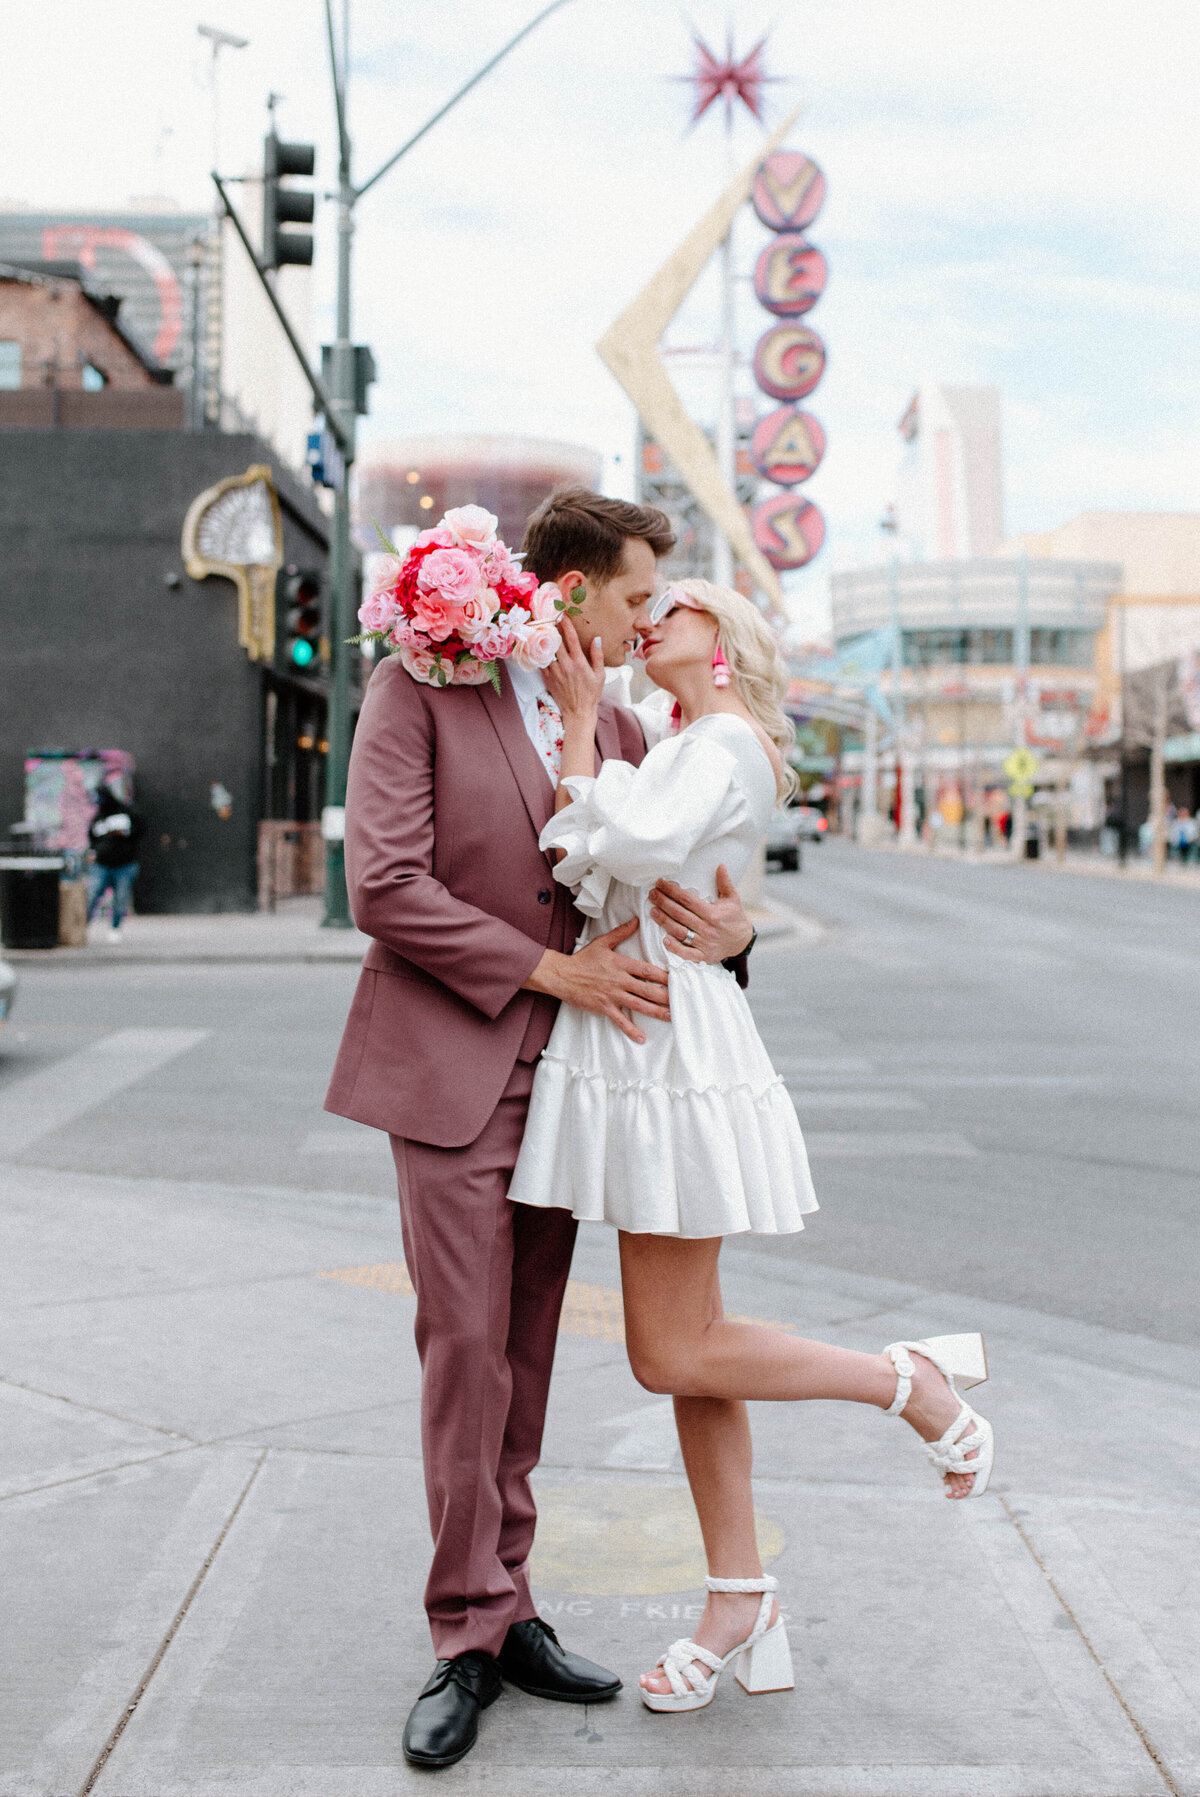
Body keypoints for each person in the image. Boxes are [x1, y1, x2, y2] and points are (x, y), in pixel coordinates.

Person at [324, 491, 758, 1770]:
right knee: (464, 1348)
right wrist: (546, 971)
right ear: (563, 588)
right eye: (632, 600)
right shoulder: (419, 687)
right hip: (454, 1069)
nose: (644, 623)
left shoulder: (617, 724)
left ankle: (509, 1607)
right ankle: (464, 1632)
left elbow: (670, 891)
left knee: (524, 1353)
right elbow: (382, 886)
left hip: (581, 1087)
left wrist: (740, 938)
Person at [509, 578, 995, 1714]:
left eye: (670, 609)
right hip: (642, 1028)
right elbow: (597, 866)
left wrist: (580, 738)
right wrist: (615, 810)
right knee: (695, 1342)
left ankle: (906, 1382)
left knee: (670, 1351)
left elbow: (623, 838)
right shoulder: (689, 740)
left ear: (718, 640)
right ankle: (739, 1597)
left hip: (669, 1040)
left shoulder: (721, 741)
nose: (648, 622)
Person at [86, 782, 143, 940]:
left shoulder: (126, 813)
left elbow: (139, 831)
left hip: (124, 864)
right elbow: (92, 837)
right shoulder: (98, 819)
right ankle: (82, 926)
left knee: (121, 897)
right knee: (92, 895)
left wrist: (125, 837)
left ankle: (115, 928)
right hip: (102, 864)